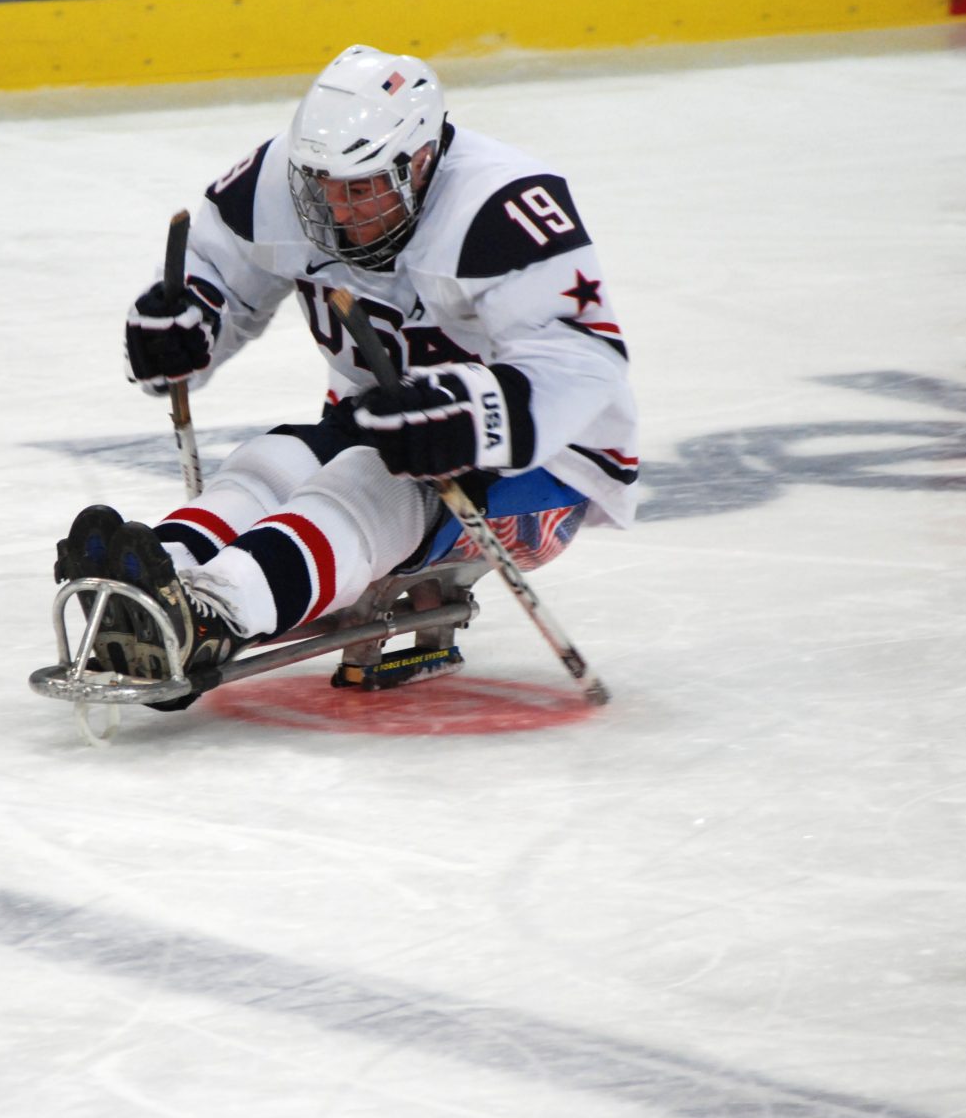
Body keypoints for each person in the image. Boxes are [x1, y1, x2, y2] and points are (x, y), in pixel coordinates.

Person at [57, 43, 638, 708]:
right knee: (270, 460)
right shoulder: (280, 181)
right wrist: (184, 328)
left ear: (419, 163)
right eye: (320, 187)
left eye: (359, 189)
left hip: (550, 469)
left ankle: (214, 614)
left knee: (369, 480)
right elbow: (215, 274)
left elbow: (585, 362)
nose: (335, 211)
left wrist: (467, 417)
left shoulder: (501, 209)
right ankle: (156, 577)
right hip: (378, 427)